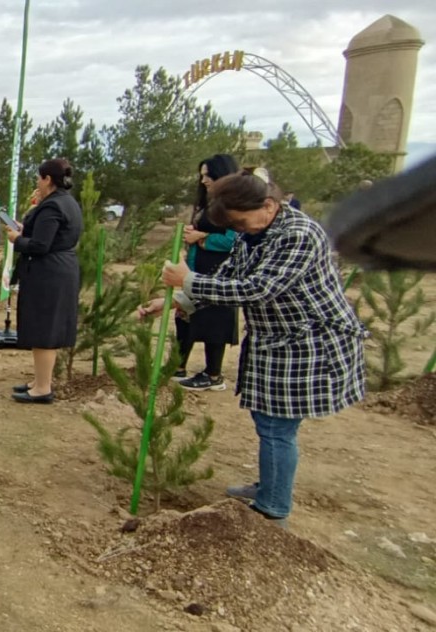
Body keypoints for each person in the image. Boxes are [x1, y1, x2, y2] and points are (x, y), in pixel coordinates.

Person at [146, 170, 366, 529]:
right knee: (269, 422)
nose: (240, 230)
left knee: (277, 427)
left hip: (308, 344)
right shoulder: (256, 234)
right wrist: (177, 300)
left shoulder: (299, 235)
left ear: (268, 205)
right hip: (276, 343)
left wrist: (188, 278)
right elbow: (228, 279)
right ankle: (271, 485)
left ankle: (273, 508)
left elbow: (258, 288)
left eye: (241, 222)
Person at [6, 158, 83, 404]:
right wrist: (24, 229)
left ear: (48, 179)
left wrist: (17, 239)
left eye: (39, 178)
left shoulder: (52, 206)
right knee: (45, 328)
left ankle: (42, 388)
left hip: (49, 273)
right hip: (59, 269)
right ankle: (40, 380)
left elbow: (41, 245)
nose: (37, 183)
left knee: (44, 330)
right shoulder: (67, 202)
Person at [175, 154, 241, 391]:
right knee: (185, 315)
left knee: (214, 321)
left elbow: (234, 241)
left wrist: (202, 237)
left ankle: (213, 375)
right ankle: (178, 365)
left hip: (220, 273)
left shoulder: (234, 205)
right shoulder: (208, 202)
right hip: (197, 268)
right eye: (201, 175)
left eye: (208, 175)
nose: (203, 180)